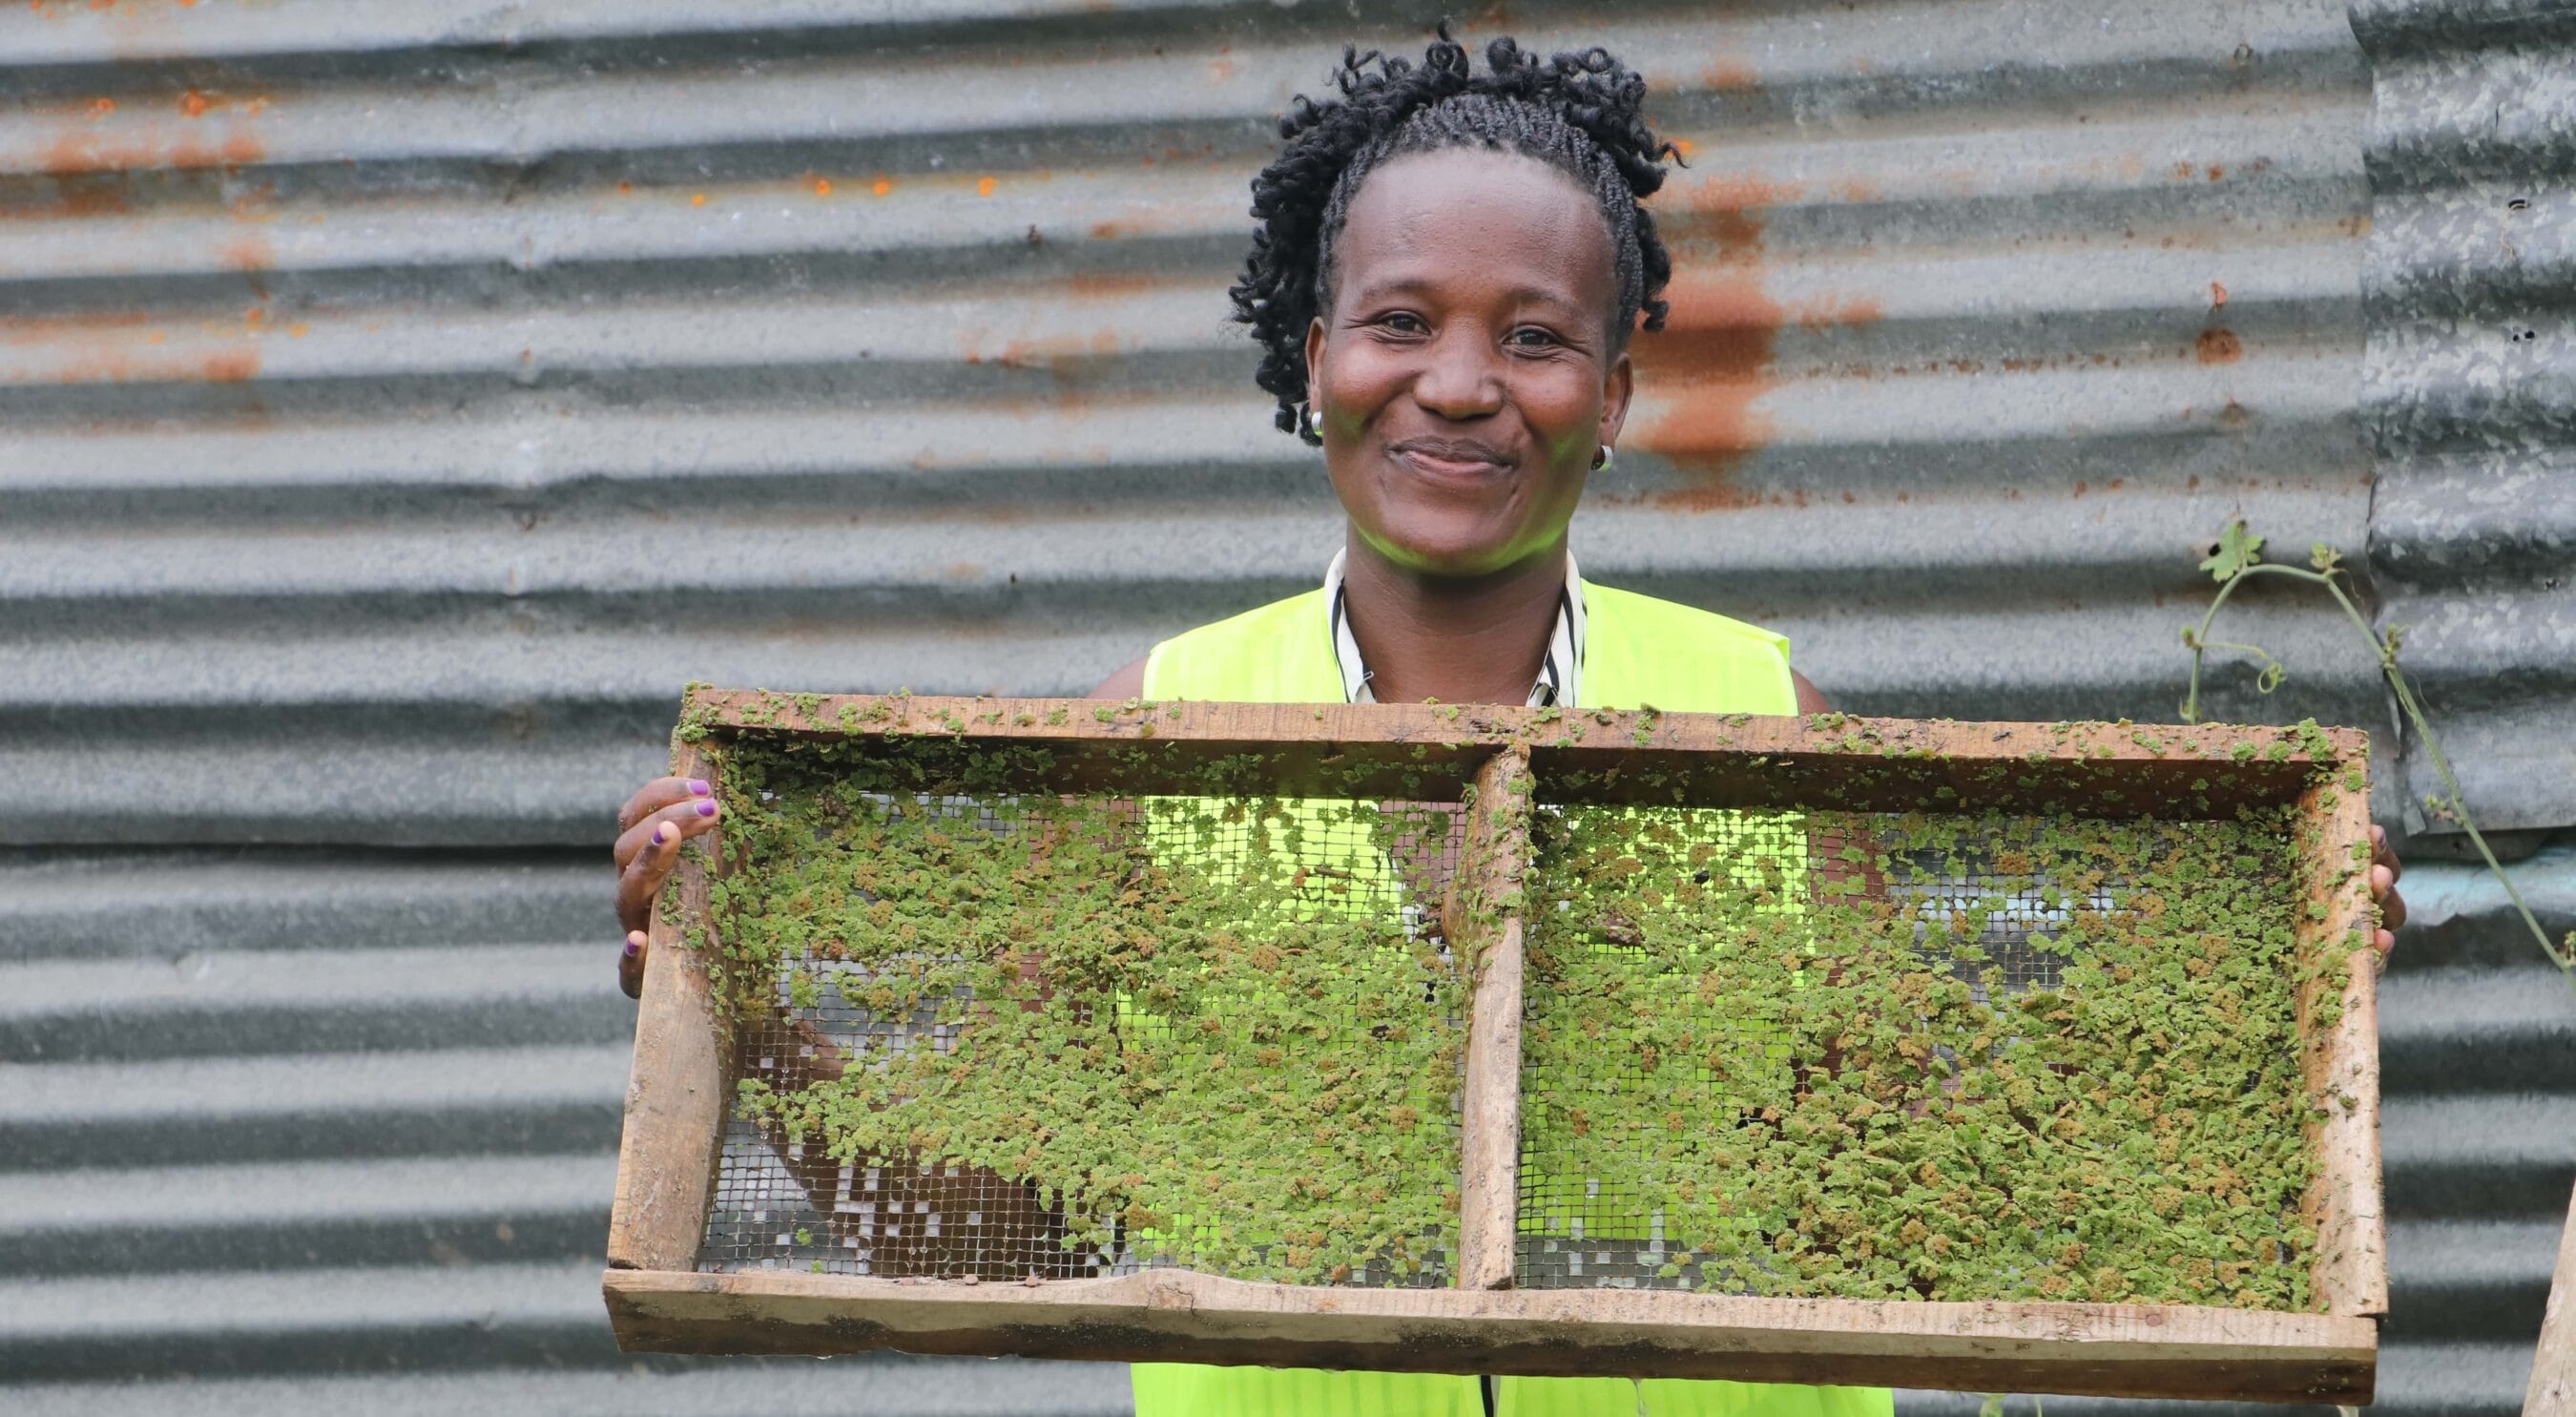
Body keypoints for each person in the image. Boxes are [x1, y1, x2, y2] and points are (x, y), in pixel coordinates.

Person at [610, 33, 2406, 1417]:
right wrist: (745, 1013)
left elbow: (1937, 1192)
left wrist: (2277, 997)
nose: (1461, 383)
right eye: (1400, 320)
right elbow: (1013, 1228)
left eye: (1535, 337)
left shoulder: (1758, 717)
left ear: (1614, 393)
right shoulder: (1153, 734)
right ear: (1310, 354)